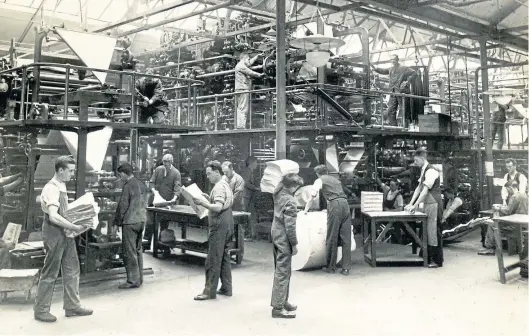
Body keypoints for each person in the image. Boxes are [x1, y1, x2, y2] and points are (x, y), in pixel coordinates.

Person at [34, 156, 93, 323]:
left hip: (65, 231)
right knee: (51, 272)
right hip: (54, 232)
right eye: (71, 171)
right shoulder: (51, 188)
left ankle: (72, 306)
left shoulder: (62, 185)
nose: (72, 174)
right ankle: (41, 310)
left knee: (72, 268)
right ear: (61, 170)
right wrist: (75, 227)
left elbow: (62, 212)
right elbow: (53, 216)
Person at [191, 161, 234, 301]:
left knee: (213, 259)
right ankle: (227, 288)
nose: (208, 176)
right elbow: (219, 202)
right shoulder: (225, 183)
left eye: (209, 173)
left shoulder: (219, 187)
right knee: (224, 257)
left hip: (219, 223)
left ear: (217, 172)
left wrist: (202, 203)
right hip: (228, 222)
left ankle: (209, 291)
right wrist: (208, 198)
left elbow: (218, 207)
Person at [304, 165, 352, 275]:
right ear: (327, 172)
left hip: (334, 205)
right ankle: (346, 268)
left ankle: (331, 266)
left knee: (332, 236)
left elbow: (312, 196)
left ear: (317, 174)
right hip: (345, 204)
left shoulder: (319, 180)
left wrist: (306, 210)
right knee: (346, 237)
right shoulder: (335, 180)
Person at [271, 173, 303, 319]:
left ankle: (283, 301)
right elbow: (290, 226)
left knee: (281, 270)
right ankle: (278, 308)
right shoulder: (290, 200)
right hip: (283, 238)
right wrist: (294, 244)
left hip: (276, 234)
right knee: (283, 272)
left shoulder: (278, 193)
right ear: (294, 186)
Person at [404, 148, 443, 268]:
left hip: (434, 204)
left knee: (433, 232)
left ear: (422, 158)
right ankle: (427, 255)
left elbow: (425, 192)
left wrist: (415, 206)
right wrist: (411, 203)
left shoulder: (431, 171)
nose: (415, 163)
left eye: (416, 160)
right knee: (427, 231)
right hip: (428, 204)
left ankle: (437, 260)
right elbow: (418, 188)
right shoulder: (423, 170)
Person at [114, 163, 149, 289]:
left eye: (120, 174)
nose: (120, 177)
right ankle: (139, 279)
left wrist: (117, 222)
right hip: (141, 220)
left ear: (123, 173)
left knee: (130, 252)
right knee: (138, 250)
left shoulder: (128, 186)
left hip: (130, 222)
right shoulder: (142, 184)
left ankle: (132, 281)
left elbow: (123, 206)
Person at [479, 180, 528, 256]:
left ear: (510, 188)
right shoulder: (524, 195)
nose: (508, 192)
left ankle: (490, 248)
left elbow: (508, 211)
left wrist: (498, 208)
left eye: (507, 190)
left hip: (515, 226)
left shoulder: (514, 197)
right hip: (524, 224)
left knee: (492, 225)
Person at [144, 154, 182, 246]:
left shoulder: (176, 173)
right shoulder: (158, 170)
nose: (166, 164)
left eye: (168, 162)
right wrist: (154, 191)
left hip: (166, 200)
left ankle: (161, 245)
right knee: (150, 222)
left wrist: (174, 198)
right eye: (164, 162)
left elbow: (177, 187)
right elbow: (152, 182)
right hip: (154, 200)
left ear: (172, 162)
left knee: (164, 224)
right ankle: (146, 243)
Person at [371, 55, 417, 126]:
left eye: (394, 59)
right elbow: (382, 70)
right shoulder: (391, 69)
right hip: (392, 92)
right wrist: (374, 68)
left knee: (404, 110)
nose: (393, 61)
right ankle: (394, 127)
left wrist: (407, 81)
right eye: (391, 59)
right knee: (391, 110)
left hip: (401, 92)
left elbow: (414, 73)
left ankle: (405, 127)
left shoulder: (404, 68)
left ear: (397, 60)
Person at [234, 52, 264, 129]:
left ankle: (240, 125)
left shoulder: (240, 65)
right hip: (243, 89)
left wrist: (257, 57)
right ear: (244, 59)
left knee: (241, 107)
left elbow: (249, 63)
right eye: (248, 59)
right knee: (243, 108)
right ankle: (241, 126)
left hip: (240, 89)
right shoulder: (241, 66)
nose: (249, 61)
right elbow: (250, 72)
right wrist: (260, 75)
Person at [240, 156, 260, 241]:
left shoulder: (250, 171)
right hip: (245, 196)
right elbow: (245, 182)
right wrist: (255, 188)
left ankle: (249, 234)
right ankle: (244, 235)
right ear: (251, 163)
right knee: (245, 214)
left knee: (249, 214)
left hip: (248, 195)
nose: (257, 164)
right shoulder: (247, 171)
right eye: (256, 162)